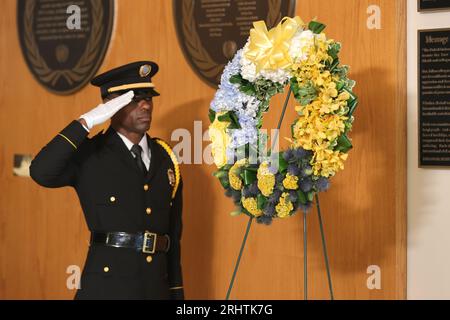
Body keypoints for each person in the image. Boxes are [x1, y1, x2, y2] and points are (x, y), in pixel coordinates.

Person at [30, 61, 184, 300]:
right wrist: (86, 122)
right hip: (107, 289)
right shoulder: (91, 155)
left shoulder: (166, 158)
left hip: (155, 288)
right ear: (110, 107)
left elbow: (173, 236)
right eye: (133, 100)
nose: (145, 105)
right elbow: (41, 172)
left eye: (149, 98)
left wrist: (176, 294)